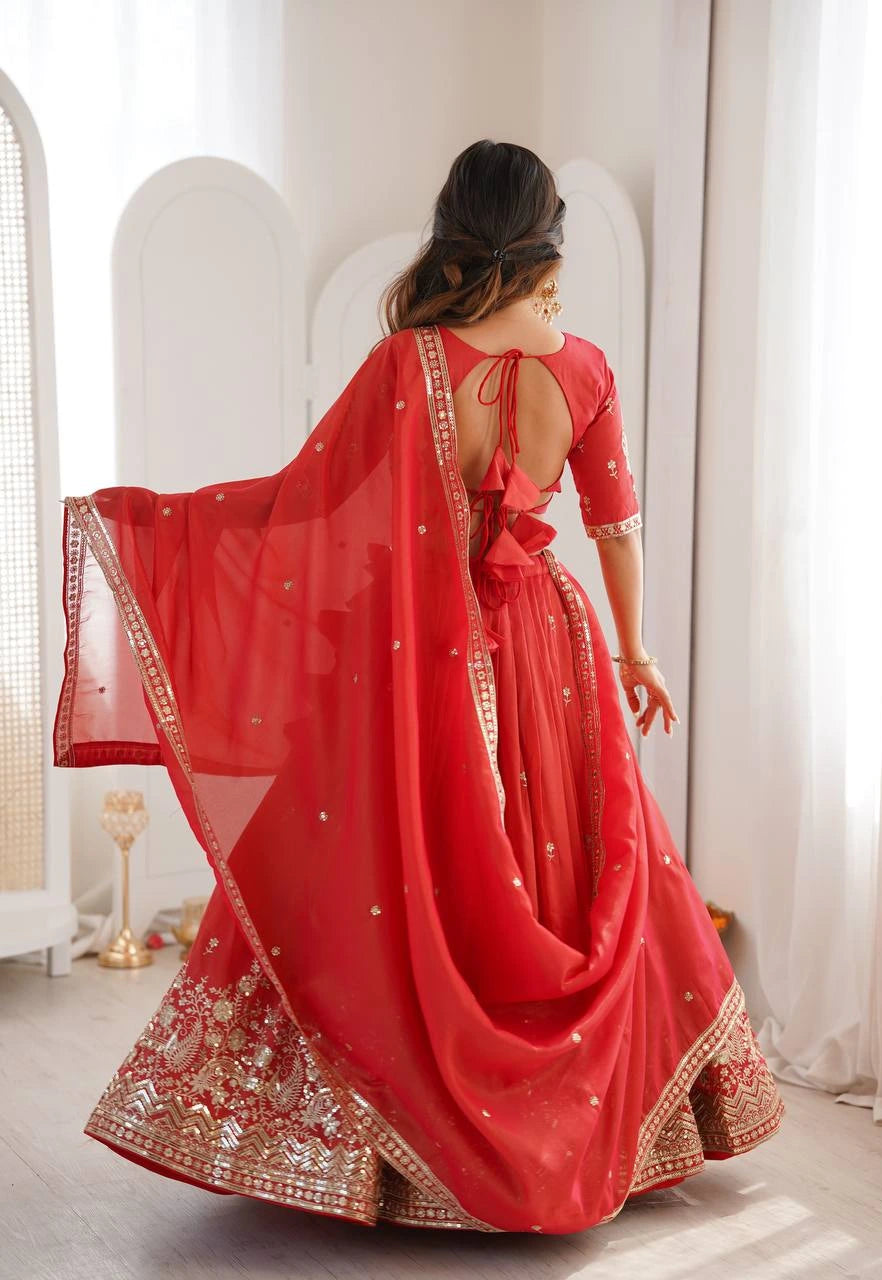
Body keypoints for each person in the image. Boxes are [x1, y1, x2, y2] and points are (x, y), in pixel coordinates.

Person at [53, 139, 784, 1234]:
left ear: (453, 223)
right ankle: (592, 1124)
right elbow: (614, 528)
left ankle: (412, 1141)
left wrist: (163, 537)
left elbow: (308, 507)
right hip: (550, 641)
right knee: (567, 864)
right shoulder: (582, 366)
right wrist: (635, 651)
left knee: (415, 871)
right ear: (544, 230)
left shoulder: (409, 363)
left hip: (426, 657)